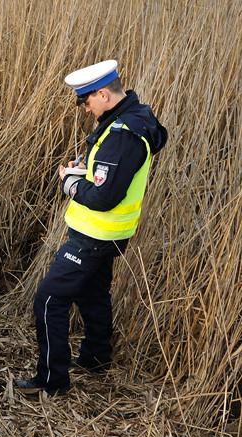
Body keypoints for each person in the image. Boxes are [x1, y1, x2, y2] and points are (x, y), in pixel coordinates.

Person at [16, 60, 168, 396]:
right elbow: (110, 177)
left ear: (103, 94)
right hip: (110, 235)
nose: (85, 108)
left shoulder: (122, 135)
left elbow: (103, 197)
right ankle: (96, 359)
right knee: (93, 293)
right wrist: (87, 170)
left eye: (86, 101)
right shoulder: (133, 119)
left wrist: (70, 182)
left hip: (94, 235)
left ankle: (51, 380)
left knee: (48, 300)